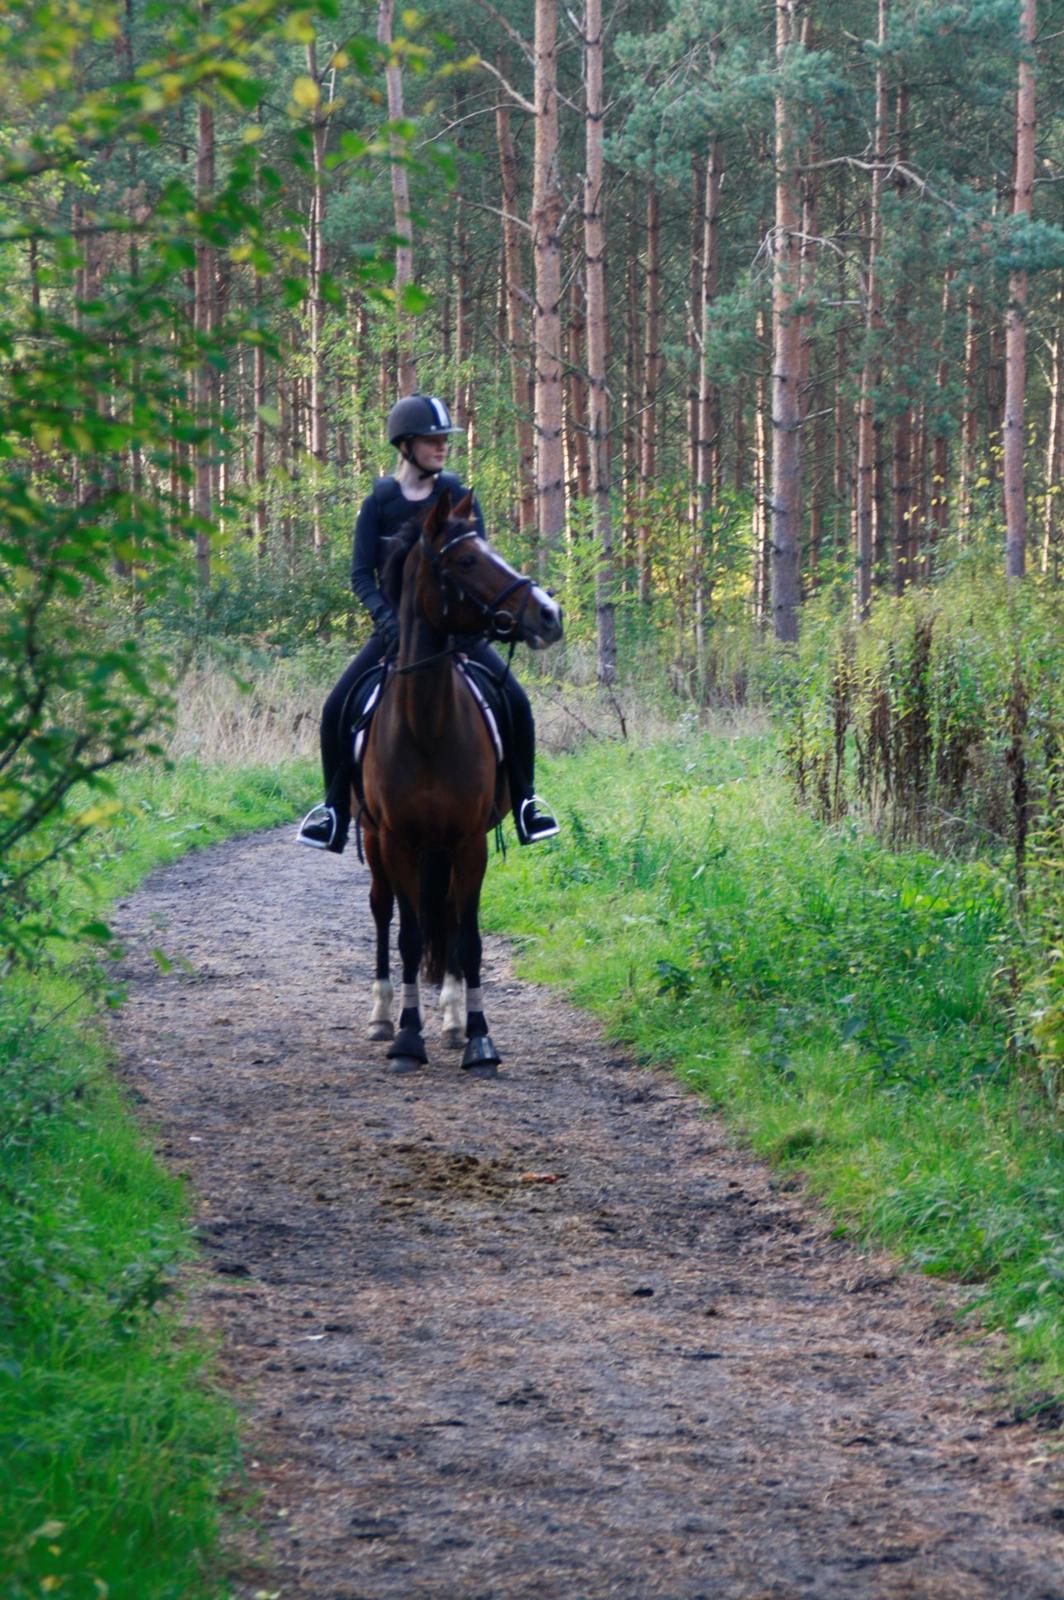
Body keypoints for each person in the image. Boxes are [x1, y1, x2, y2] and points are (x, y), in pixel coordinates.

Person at [296, 393, 560, 854]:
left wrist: (490, 618)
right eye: (432, 440)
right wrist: (387, 620)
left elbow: (480, 564)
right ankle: (334, 810)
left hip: (457, 632)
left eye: (444, 440)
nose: (442, 447)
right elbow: (361, 574)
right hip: (394, 634)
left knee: (515, 701)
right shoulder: (379, 501)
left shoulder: (456, 495)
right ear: (406, 445)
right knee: (336, 707)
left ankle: (525, 803)